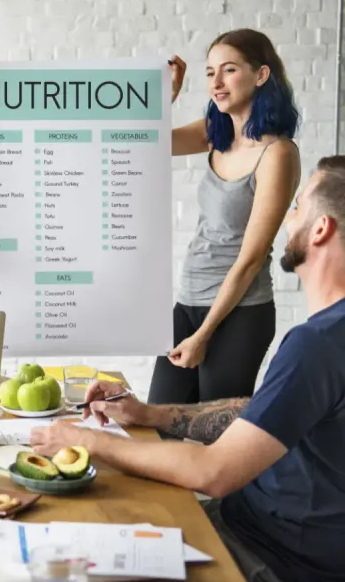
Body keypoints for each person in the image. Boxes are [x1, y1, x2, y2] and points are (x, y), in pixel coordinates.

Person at [31, 156, 345, 582]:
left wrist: (82, 438)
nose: (288, 218)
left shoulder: (318, 344)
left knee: (66, 558)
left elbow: (212, 473)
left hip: (264, 553)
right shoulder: (328, 337)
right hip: (262, 531)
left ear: (321, 228)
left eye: (298, 206)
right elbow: (256, 416)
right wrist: (150, 415)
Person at [150, 29, 302, 406]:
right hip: (188, 299)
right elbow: (147, 143)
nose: (216, 82)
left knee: (213, 436)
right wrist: (168, 95)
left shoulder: (278, 154)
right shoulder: (214, 134)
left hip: (240, 312)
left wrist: (204, 334)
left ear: (261, 75)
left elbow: (250, 259)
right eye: (209, 72)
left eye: (229, 70)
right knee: (154, 424)